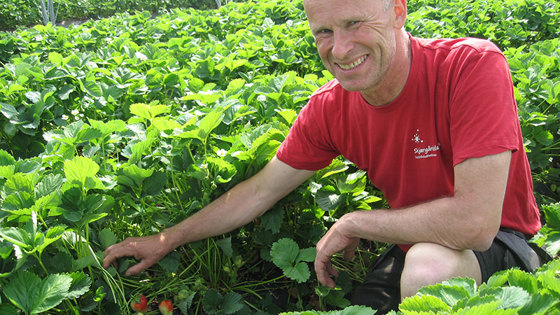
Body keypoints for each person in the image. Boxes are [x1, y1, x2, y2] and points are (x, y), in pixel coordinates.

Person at [103, 0, 549, 312]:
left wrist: (356, 222)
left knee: (428, 269)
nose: (339, 49)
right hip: (411, 243)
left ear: (398, 10)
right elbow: (259, 192)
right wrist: (168, 239)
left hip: (497, 244)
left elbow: (475, 224)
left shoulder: (468, 67)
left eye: (355, 23)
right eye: (324, 31)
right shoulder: (330, 109)